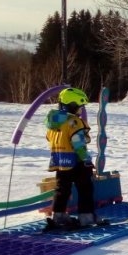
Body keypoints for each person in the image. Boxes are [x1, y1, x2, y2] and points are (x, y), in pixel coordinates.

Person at [45, 87, 99, 227]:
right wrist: (86, 160)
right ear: (73, 105)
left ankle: (59, 215)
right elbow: (78, 143)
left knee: (62, 189)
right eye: (80, 107)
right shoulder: (74, 122)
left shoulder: (54, 120)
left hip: (59, 160)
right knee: (85, 188)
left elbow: (49, 137)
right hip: (76, 161)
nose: (81, 110)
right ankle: (86, 217)